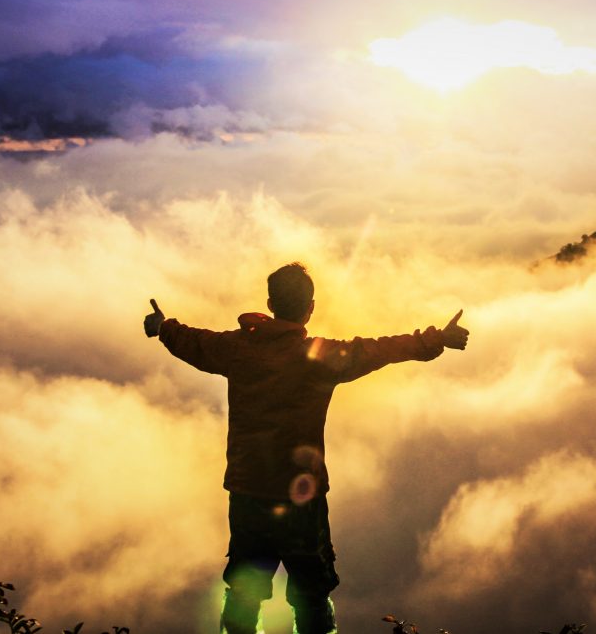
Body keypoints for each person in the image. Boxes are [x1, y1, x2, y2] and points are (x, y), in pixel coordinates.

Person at [143, 262, 469, 634]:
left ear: (269, 303)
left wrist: (162, 327)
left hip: (248, 493)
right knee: (312, 595)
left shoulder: (236, 349)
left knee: (244, 592)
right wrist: (436, 339)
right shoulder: (319, 357)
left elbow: (193, 342)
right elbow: (379, 349)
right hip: (302, 498)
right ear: (310, 307)